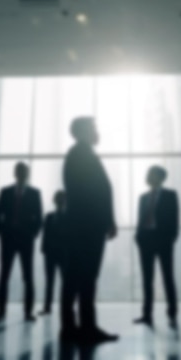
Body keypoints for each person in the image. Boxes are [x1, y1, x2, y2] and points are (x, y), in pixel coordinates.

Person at [61, 117, 119, 344]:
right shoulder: (81, 154)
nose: (98, 131)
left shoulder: (80, 154)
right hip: (86, 226)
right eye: (94, 128)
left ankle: (74, 327)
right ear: (84, 131)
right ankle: (84, 328)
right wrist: (106, 220)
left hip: (84, 225)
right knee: (83, 278)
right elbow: (93, 192)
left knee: (78, 278)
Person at [0, 162, 42, 323]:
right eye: (19, 171)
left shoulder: (35, 193)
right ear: (15, 173)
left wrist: (33, 233)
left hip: (26, 239)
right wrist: (0, 232)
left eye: (24, 171)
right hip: (7, 238)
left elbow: (39, 217)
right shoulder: (5, 192)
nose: (21, 174)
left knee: (28, 276)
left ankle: (28, 312)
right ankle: (1, 312)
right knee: (4, 275)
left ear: (27, 174)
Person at [133, 166, 180, 328]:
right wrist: (138, 237)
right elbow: (140, 219)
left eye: (150, 174)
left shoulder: (170, 195)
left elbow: (175, 218)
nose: (147, 176)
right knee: (147, 279)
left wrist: (171, 238)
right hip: (145, 240)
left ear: (160, 177)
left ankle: (172, 312)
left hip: (163, 240)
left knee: (167, 276)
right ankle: (147, 314)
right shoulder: (143, 197)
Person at [38, 190, 67, 316]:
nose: (59, 202)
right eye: (58, 199)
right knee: (50, 281)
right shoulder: (49, 216)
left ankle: (62, 307)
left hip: (63, 253)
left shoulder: (68, 217)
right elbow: (45, 235)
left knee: (64, 282)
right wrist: (44, 249)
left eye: (61, 199)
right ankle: (48, 307)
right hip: (51, 253)